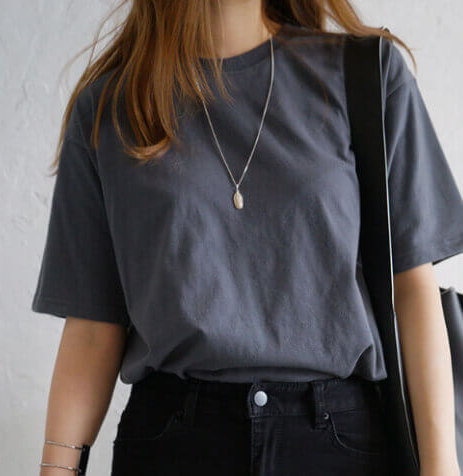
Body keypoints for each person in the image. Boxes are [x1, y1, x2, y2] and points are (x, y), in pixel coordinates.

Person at [31, 1, 463, 475]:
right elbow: (93, 329)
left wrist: (441, 467)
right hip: (173, 446)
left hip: (341, 447)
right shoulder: (112, 108)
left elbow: (412, 289)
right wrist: (57, 468)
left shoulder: (364, 75)